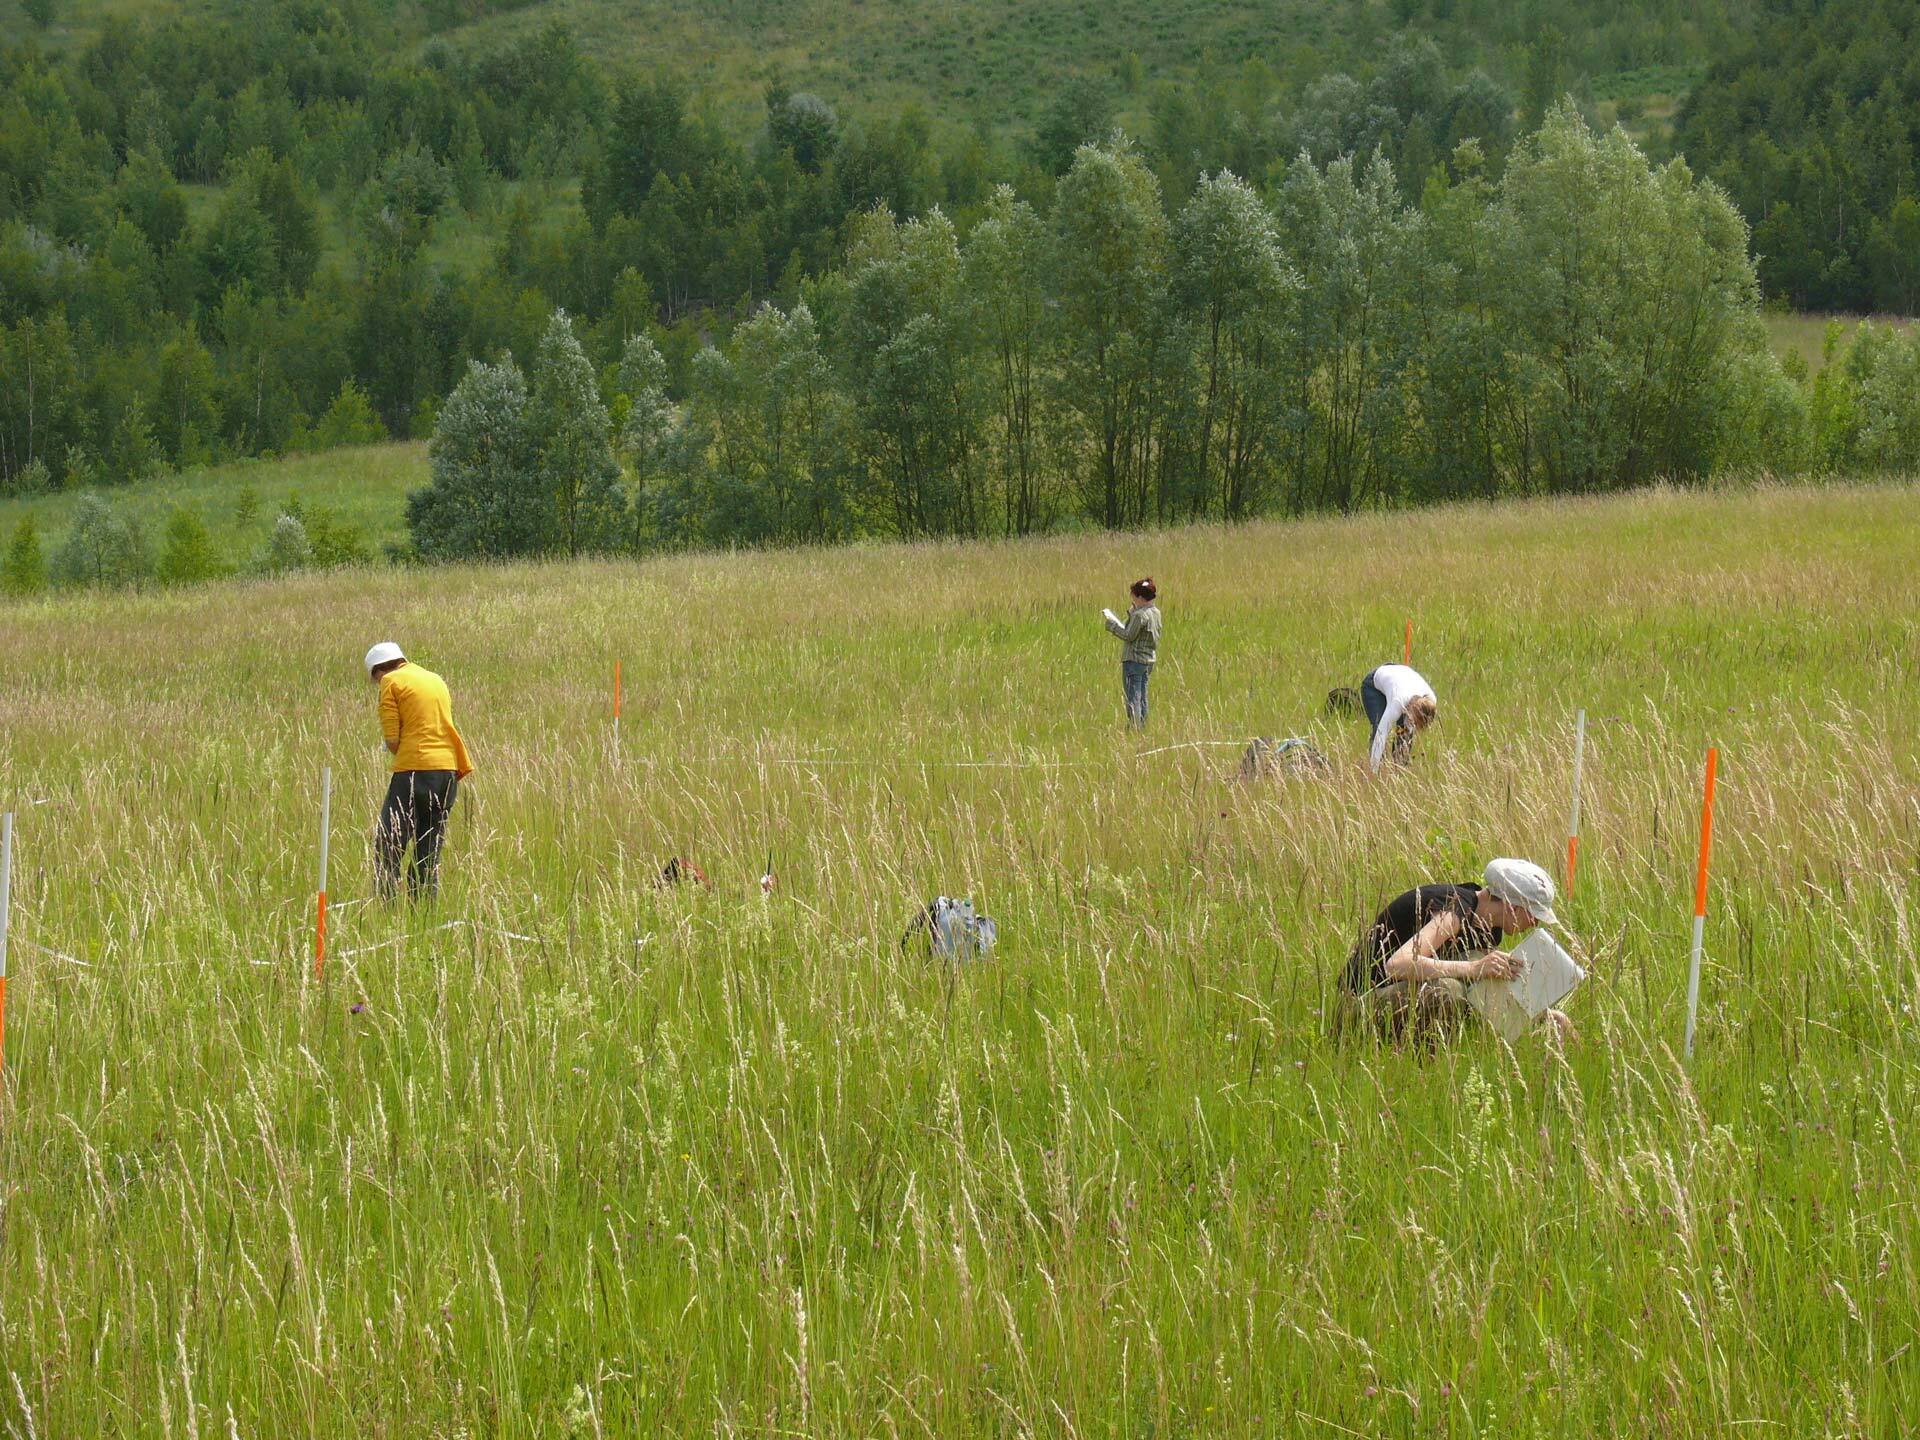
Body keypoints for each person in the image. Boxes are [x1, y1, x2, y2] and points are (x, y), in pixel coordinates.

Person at [1334, 858, 1574, 1043]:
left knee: (1467, 982)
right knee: (1450, 989)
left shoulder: (1490, 928)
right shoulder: (1454, 908)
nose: (1535, 924)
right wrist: (1474, 968)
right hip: (1357, 1005)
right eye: (1533, 915)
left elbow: (1484, 992)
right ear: (1512, 906)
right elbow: (1398, 965)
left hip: (1394, 1001)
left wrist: (1544, 1016)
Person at [365, 642, 473, 900]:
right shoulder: (434, 679)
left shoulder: (391, 681)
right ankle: (423, 913)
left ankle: (387, 911)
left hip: (414, 771)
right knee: (428, 850)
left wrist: (399, 748)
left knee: (388, 848)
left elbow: (392, 740)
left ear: (379, 670)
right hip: (447, 772)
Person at [1102, 577, 1162, 729]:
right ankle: (1141, 725)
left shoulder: (1140, 615)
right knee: (1142, 696)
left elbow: (1129, 635)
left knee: (1133, 696)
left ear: (1141, 597)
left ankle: (1135, 727)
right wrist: (1131, 615)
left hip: (1134, 661)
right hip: (1148, 660)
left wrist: (1112, 626)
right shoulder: (1155, 613)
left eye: (1134, 597)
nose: (1133, 600)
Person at [1358, 662, 1437, 769]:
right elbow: (1381, 735)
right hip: (1373, 686)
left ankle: (1400, 770)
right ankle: (1377, 767)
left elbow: (1406, 730)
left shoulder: (1431, 700)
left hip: (1398, 678)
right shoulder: (1398, 702)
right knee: (1379, 726)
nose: (1414, 725)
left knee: (1405, 733)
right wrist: (1373, 773)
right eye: (1414, 721)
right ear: (1411, 710)